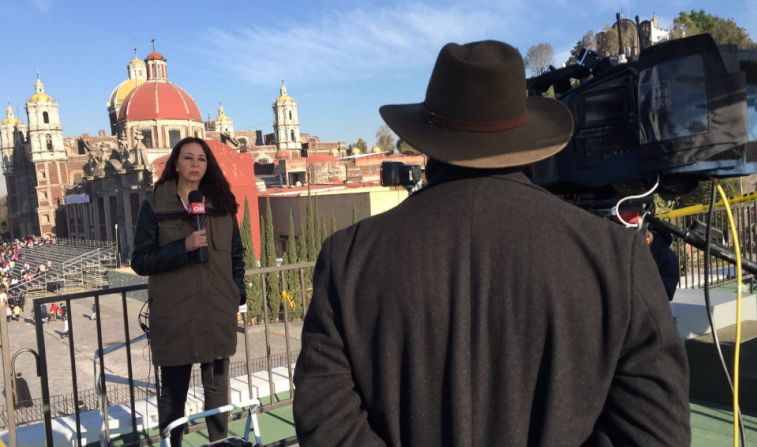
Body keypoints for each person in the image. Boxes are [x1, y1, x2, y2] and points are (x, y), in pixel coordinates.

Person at [293, 41, 690, 446]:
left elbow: (326, 424)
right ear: (527, 144)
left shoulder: (350, 258)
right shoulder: (614, 258)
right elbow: (655, 433)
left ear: (427, 145)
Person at [131, 136, 247, 446]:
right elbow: (140, 261)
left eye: (201, 159)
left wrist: (238, 292)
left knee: (217, 393)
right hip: (175, 315)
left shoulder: (221, 206)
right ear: (176, 164)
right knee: (173, 396)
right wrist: (182, 247)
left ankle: (219, 443)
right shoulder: (154, 206)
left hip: (217, 312)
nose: (195, 164)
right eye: (188, 158)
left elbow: (236, 254)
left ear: (208, 166)